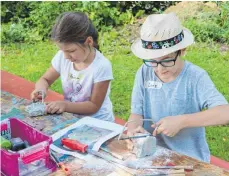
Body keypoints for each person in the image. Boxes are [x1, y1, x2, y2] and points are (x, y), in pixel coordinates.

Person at [127, 12, 229, 162]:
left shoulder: (195, 77)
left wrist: (182, 121)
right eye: (153, 61)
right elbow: (136, 114)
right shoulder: (144, 72)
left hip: (189, 160)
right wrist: (133, 130)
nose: (159, 69)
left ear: (182, 51)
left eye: (166, 60)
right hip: (152, 155)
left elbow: (225, 113)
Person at [31, 12, 114, 122]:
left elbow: (93, 106)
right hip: (72, 119)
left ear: (89, 42)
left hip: (98, 123)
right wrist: (40, 89)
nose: (66, 56)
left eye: (71, 51)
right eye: (62, 51)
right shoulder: (63, 57)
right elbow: (45, 79)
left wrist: (65, 106)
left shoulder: (101, 66)